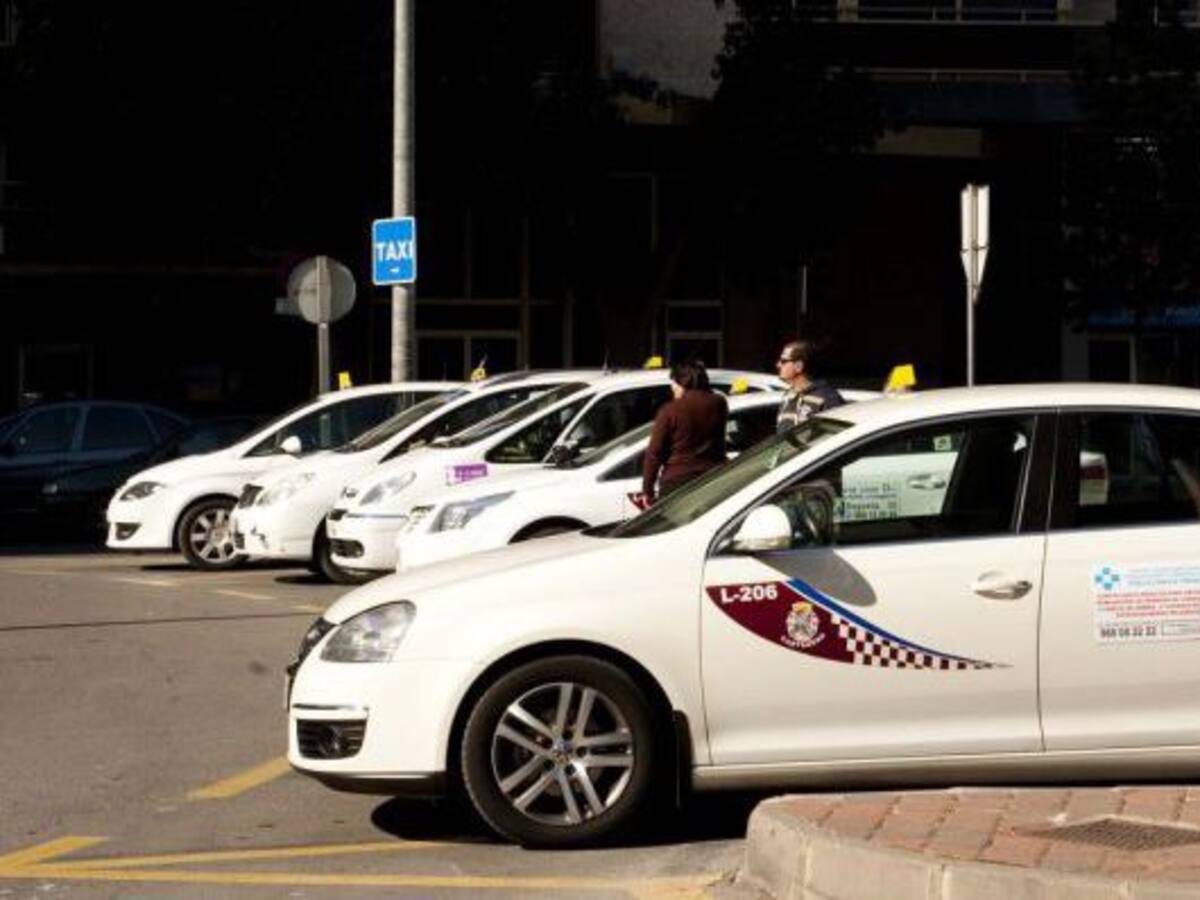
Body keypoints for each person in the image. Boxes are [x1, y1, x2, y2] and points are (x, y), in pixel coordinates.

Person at [642, 360, 728, 504]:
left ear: (682, 381)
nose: (672, 388)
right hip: (712, 479)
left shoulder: (670, 410)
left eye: (673, 383)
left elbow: (654, 453)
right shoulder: (719, 403)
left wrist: (647, 490)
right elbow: (720, 443)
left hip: (676, 481)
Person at [775, 339, 845, 432]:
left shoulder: (827, 398)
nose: (778, 365)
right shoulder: (788, 396)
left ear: (798, 366)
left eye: (783, 361)